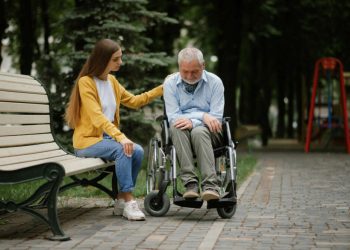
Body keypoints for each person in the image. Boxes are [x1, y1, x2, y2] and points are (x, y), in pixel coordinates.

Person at [65, 39, 163, 220]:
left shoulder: (112, 81)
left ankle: (119, 200)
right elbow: (97, 116)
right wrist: (121, 138)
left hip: (106, 140)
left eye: (120, 58)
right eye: (116, 59)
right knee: (124, 149)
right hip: (87, 142)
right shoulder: (86, 82)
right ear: (103, 60)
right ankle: (129, 201)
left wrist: (162, 88)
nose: (120, 62)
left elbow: (134, 101)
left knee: (138, 151)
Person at [163, 47, 224, 201]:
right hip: (181, 133)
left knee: (199, 132)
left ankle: (210, 186)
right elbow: (173, 117)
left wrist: (194, 121)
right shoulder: (170, 84)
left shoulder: (215, 83)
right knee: (176, 126)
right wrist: (203, 116)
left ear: (203, 66)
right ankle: (190, 184)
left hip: (211, 133)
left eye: (194, 71)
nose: (189, 76)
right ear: (179, 68)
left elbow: (215, 117)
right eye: (185, 72)